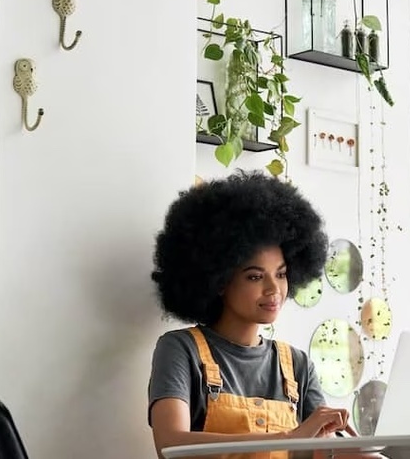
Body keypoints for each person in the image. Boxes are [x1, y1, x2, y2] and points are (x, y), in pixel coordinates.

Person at [147, 172, 358, 459]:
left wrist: (356, 449)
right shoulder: (181, 349)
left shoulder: (297, 365)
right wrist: (289, 437)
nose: (274, 289)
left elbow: (318, 453)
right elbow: (171, 445)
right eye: (255, 277)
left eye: (281, 274)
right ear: (219, 280)